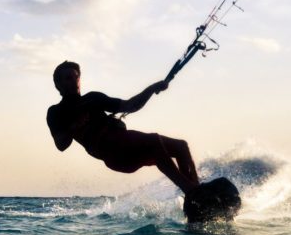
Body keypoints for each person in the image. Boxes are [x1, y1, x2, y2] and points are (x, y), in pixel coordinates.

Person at [46, 61, 200, 193]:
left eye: (76, 77)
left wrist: (152, 89)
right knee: (153, 140)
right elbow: (61, 145)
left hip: (127, 144)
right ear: (58, 85)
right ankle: (190, 190)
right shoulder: (56, 112)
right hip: (114, 154)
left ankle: (196, 194)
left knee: (181, 146)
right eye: (68, 78)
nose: (74, 81)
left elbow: (130, 105)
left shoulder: (93, 98)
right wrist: (75, 126)